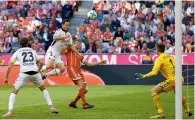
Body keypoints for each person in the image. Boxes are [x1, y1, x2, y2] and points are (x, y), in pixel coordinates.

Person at [3, 37, 58, 117]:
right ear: (28, 43)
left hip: (24, 74)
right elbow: (41, 63)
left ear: (19, 44)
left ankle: (10, 112)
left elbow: (10, 65)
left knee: (14, 91)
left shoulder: (18, 52)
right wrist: (38, 71)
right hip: (35, 73)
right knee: (43, 89)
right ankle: (51, 107)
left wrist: (6, 78)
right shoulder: (32, 51)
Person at [135, 43, 192, 118]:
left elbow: (154, 73)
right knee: (178, 94)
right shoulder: (170, 56)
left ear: (158, 49)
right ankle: (188, 111)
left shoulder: (159, 59)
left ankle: (160, 113)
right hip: (180, 78)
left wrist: (143, 76)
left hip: (172, 80)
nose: (155, 50)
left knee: (154, 91)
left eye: (156, 48)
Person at [62, 39, 106, 109]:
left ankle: (73, 103)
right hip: (72, 69)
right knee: (82, 84)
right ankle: (84, 104)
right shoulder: (69, 49)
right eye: (77, 42)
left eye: (80, 43)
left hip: (79, 71)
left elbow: (88, 64)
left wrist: (99, 62)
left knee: (85, 89)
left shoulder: (80, 55)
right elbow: (62, 51)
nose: (78, 44)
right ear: (73, 44)